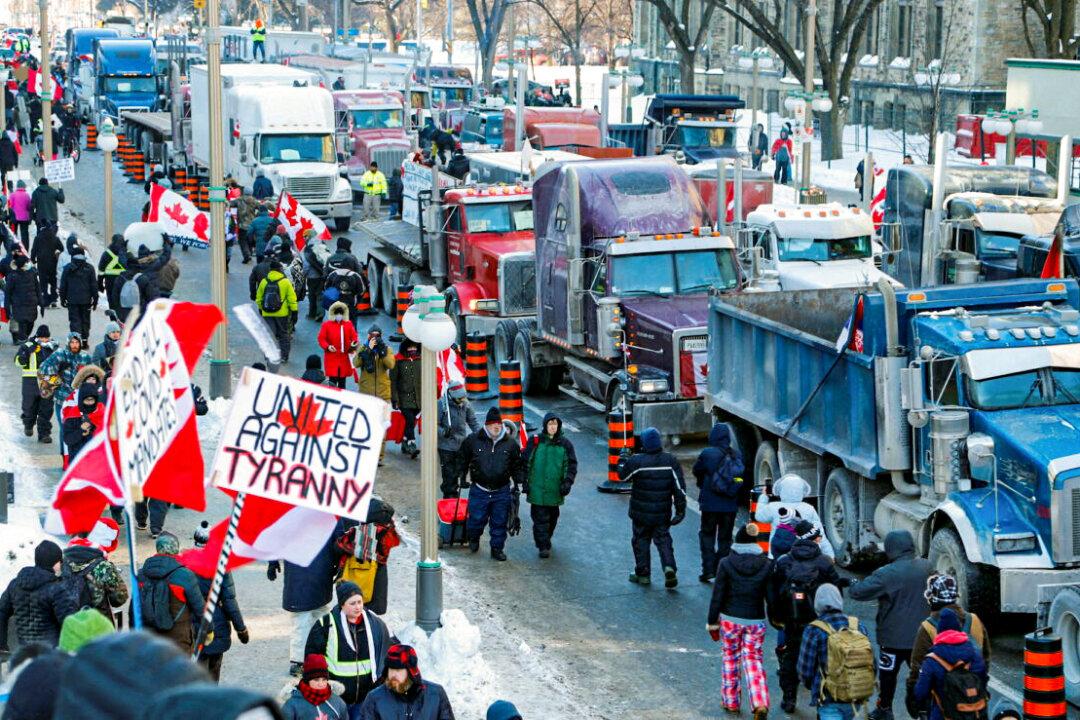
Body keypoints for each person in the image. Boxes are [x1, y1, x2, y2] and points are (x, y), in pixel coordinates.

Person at [848, 530, 932, 720]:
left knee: (888, 676)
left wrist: (853, 581)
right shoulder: (927, 566)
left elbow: (858, 592)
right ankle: (922, 709)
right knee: (921, 675)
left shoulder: (886, 573)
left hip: (892, 638)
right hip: (921, 638)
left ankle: (885, 708)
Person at [771, 520, 845, 713]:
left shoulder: (784, 562)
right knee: (824, 660)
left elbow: (774, 593)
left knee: (790, 658)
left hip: (792, 620)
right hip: (820, 621)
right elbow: (835, 591)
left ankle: (789, 699)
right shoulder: (824, 563)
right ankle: (821, 699)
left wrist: (777, 617)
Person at [707, 523, 773, 719]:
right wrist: (777, 618)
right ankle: (759, 701)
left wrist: (713, 622)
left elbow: (718, 595)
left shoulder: (726, 563)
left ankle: (731, 702)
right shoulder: (767, 565)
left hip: (730, 619)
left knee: (730, 658)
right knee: (753, 660)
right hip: (755, 620)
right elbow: (771, 596)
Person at [268, 520, 347, 677]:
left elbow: (277, 536)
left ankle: (300, 661)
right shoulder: (331, 514)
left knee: (303, 621)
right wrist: (342, 564)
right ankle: (316, 657)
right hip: (321, 574)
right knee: (319, 618)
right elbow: (339, 544)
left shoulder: (293, 513)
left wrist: (272, 561)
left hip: (300, 576)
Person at [906, 573, 991, 716]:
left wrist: (913, 698)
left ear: (932, 599)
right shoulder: (975, 620)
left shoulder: (927, 628)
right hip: (975, 702)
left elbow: (917, 668)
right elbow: (986, 658)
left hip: (945, 706)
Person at [305, 581, 392, 717]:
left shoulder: (376, 624)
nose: (358, 607)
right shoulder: (325, 625)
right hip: (335, 698)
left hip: (365, 698)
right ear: (342, 605)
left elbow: (386, 655)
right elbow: (312, 660)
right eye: (352, 603)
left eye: (359, 602)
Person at [618, 427, 686, 588]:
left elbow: (623, 476)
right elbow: (679, 488)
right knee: (663, 540)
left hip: (640, 514)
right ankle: (669, 567)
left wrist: (623, 459)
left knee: (640, 541)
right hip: (662, 513)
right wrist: (680, 510)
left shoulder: (637, 461)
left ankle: (643, 574)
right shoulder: (670, 461)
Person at [797, 584, 877, 720]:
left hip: (829, 698)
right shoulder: (857, 626)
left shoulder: (814, 629)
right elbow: (871, 663)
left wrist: (815, 687)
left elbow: (805, 669)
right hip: (856, 695)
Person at [460, 407, 525, 561]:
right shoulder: (473, 440)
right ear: (487, 425)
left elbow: (517, 465)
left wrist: (520, 481)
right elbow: (462, 459)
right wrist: (461, 476)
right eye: (493, 424)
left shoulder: (510, 444)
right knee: (476, 519)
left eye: (499, 424)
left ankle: (497, 548)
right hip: (479, 489)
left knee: (499, 521)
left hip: (501, 491)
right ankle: (474, 538)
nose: (497, 427)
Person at [192, 522, 248, 682]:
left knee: (196, 672)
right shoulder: (220, 566)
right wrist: (241, 629)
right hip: (217, 624)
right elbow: (229, 600)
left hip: (192, 623)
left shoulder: (185, 562)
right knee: (213, 671)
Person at [134, 532, 206, 654]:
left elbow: (134, 609)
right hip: (179, 642)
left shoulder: (141, 574)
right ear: (176, 549)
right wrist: (208, 630)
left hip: (149, 640)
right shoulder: (184, 575)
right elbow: (200, 609)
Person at [911, 608, 988, 720]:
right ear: (958, 629)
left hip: (943, 715)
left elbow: (920, 693)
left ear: (940, 632)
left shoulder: (932, 659)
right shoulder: (974, 654)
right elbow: (983, 681)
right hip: (973, 714)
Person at [0, 540, 77, 651]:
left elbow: (2, 612)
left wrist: (2, 647)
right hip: (51, 654)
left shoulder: (15, 584)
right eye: (60, 562)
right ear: (55, 563)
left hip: (24, 653)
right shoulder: (56, 589)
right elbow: (70, 622)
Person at [692, 422, 745, 582]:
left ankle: (708, 570)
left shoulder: (707, 453)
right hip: (729, 505)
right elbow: (740, 478)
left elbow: (696, 470)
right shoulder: (736, 455)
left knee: (707, 535)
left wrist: (703, 484)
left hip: (710, 504)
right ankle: (722, 570)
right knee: (725, 538)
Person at [522, 411, 577, 558]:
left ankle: (546, 538)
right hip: (537, 490)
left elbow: (571, 466)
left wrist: (567, 482)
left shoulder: (565, 444)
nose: (553, 427)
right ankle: (543, 545)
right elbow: (525, 463)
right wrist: (524, 482)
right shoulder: (535, 442)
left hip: (554, 490)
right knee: (540, 519)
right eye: (550, 424)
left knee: (553, 517)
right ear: (545, 426)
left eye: (555, 424)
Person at [358, 643, 455, 720]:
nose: (393, 675)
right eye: (391, 669)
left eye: (398, 670)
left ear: (410, 672)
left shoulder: (435, 694)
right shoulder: (375, 698)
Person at [61, 518, 128, 628]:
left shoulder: (61, 561)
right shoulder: (103, 566)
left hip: (70, 623)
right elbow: (119, 598)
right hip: (99, 624)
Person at [755, 473, 834, 560]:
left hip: (778, 554)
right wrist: (830, 555)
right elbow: (820, 534)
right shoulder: (808, 508)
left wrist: (764, 496)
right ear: (802, 491)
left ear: (781, 490)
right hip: (802, 555)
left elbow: (759, 516)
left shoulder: (773, 507)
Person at [38, 331, 91, 451]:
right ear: (68, 343)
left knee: (80, 429)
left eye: (77, 342)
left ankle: (76, 457)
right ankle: (65, 457)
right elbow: (43, 369)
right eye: (72, 342)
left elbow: (93, 374)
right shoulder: (59, 354)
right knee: (65, 429)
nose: (75, 345)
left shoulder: (85, 357)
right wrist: (57, 372)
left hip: (79, 400)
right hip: (62, 400)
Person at [438, 379, 480, 498]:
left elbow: (473, 421)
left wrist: (481, 435)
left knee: (460, 469)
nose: (462, 401)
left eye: (463, 397)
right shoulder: (441, 404)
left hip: (461, 443)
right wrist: (443, 432)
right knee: (449, 474)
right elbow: (433, 423)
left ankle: (458, 483)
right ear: (452, 396)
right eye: (459, 398)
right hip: (446, 446)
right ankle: (450, 495)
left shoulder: (465, 404)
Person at [16, 323, 55, 442]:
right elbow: (18, 362)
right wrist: (25, 354)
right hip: (30, 381)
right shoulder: (27, 346)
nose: (44, 340)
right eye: (42, 337)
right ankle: (28, 423)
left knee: (46, 408)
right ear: (37, 336)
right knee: (29, 406)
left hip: (47, 381)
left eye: (46, 337)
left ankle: (44, 434)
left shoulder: (53, 347)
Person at [256, 258, 299, 364]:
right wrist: (294, 312)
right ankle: (284, 356)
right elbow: (292, 299)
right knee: (283, 334)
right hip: (282, 313)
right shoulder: (285, 282)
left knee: (269, 334)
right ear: (280, 269)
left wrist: (262, 310)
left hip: (267, 313)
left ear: (270, 270)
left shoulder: (264, 281)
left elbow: (259, 298)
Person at [281, 654, 350, 719]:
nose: (321, 684)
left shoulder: (337, 702)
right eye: (316, 680)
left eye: (324, 679)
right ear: (307, 680)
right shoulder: (292, 705)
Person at [390, 338, 422, 458]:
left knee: (411, 422)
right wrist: (394, 399)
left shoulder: (420, 360)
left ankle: (404, 442)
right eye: (410, 347)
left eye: (414, 347)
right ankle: (411, 443)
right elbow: (393, 381)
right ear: (405, 348)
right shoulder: (398, 361)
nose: (412, 349)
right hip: (403, 398)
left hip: (418, 398)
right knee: (409, 420)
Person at [59, 247, 98, 341]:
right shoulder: (89, 268)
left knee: (74, 320)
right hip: (86, 300)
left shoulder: (68, 268)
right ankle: (84, 339)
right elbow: (94, 285)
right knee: (85, 320)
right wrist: (95, 300)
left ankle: (76, 339)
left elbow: (63, 285)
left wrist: (62, 299)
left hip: (72, 300)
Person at [318, 301, 359, 389]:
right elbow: (321, 338)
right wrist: (328, 346)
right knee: (332, 382)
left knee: (342, 383)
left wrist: (353, 344)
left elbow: (354, 337)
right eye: (337, 313)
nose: (339, 315)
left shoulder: (348, 324)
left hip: (344, 358)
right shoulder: (326, 325)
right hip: (332, 357)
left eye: (341, 313)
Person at [355, 324, 395, 410]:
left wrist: (382, 352)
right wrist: (368, 350)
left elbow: (391, 365)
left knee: (383, 422)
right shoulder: (363, 348)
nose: (375, 338)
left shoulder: (387, 349)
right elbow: (356, 363)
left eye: (377, 336)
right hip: (366, 393)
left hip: (383, 393)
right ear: (368, 336)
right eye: (372, 335)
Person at [62, 382, 105, 461]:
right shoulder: (73, 415)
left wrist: (93, 431)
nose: (89, 403)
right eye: (86, 400)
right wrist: (80, 431)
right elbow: (68, 440)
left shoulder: (102, 413)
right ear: (81, 400)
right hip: (77, 460)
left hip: (97, 460)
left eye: (92, 400)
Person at [6, 252, 41, 344]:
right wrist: (7, 308)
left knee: (29, 323)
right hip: (19, 305)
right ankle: (23, 343)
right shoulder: (13, 276)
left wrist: (40, 301)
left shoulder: (31, 274)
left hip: (29, 304)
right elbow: (8, 293)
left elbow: (37, 288)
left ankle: (23, 340)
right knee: (23, 326)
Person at [30, 222, 63, 309]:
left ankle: (45, 298)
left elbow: (34, 250)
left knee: (43, 281)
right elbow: (61, 248)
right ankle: (53, 299)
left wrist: (32, 260)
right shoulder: (55, 237)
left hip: (41, 262)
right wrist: (56, 251)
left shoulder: (38, 238)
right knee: (53, 280)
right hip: (52, 262)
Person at [97, 233, 127, 313]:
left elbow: (101, 270)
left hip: (110, 281)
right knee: (122, 303)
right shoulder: (126, 253)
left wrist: (100, 284)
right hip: (123, 280)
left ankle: (113, 321)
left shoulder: (107, 254)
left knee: (112, 302)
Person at [302, 236, 331, 319]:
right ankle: (320, 314)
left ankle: (312, 314)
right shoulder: (322, 247)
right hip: (321, 276)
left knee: (311, 296)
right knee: (319, 295)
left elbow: (306, 266)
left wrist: (304, 275)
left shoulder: (308, 250)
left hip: (312, 278)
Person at [9, 180, 33, 247]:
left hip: (14, 218)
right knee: (24, 235)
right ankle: (25, 249)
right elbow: (29, 207)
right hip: (24, 218)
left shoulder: (12, 195)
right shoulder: (27, 195)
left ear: (17, 187)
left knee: (13, 234)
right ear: (24, 187)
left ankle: (15, 248)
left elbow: (10, 206)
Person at [0, 127, 17, 191]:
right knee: (10, 174)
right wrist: (16, 163)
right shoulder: (11, 143)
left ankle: (4, 186)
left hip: (2, 162)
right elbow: (15, 153)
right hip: (10, 162)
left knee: (3, 174)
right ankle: (10, 187)